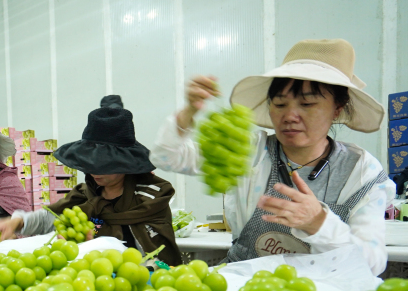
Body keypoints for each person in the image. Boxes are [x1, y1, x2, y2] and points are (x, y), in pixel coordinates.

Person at [151, 39, 395, 275]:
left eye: (307, 103)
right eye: (279, 104)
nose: (290, 116)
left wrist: (319, 223)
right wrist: (190, 113)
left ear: (337, 109)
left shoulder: (361, 172)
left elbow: (371, 263)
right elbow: (165, 158)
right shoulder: (249, 151)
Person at [0, 96, 182, 265]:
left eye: (104, 164)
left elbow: (158, 257)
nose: (93, 171)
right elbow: (53, 218)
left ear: (125, 163)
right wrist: (18, 221)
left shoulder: (149, 198)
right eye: (90, 162)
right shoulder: (85, 193)